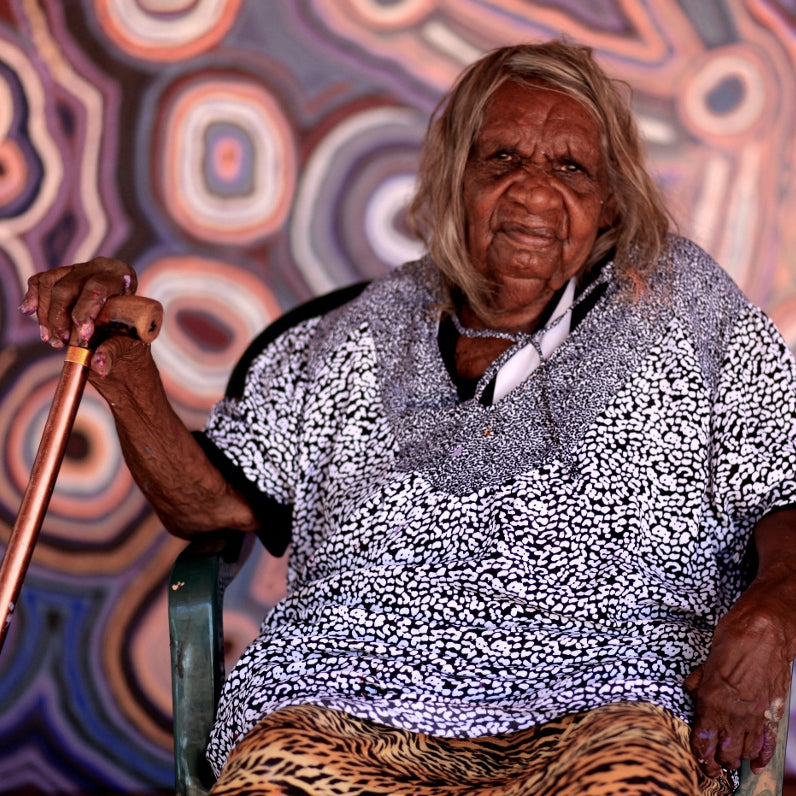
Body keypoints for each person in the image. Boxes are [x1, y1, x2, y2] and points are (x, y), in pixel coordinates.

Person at [20, 40, 796, 796]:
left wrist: (774, 603)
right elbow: (209, 503)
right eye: (501, 160)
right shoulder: (345, 335)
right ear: (453, 179)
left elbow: (784, 477)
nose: (532, 189)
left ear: (610, 203)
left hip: (610, 701)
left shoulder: (684, 305)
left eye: (570, 168)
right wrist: (116, 359)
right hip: (335, 703)